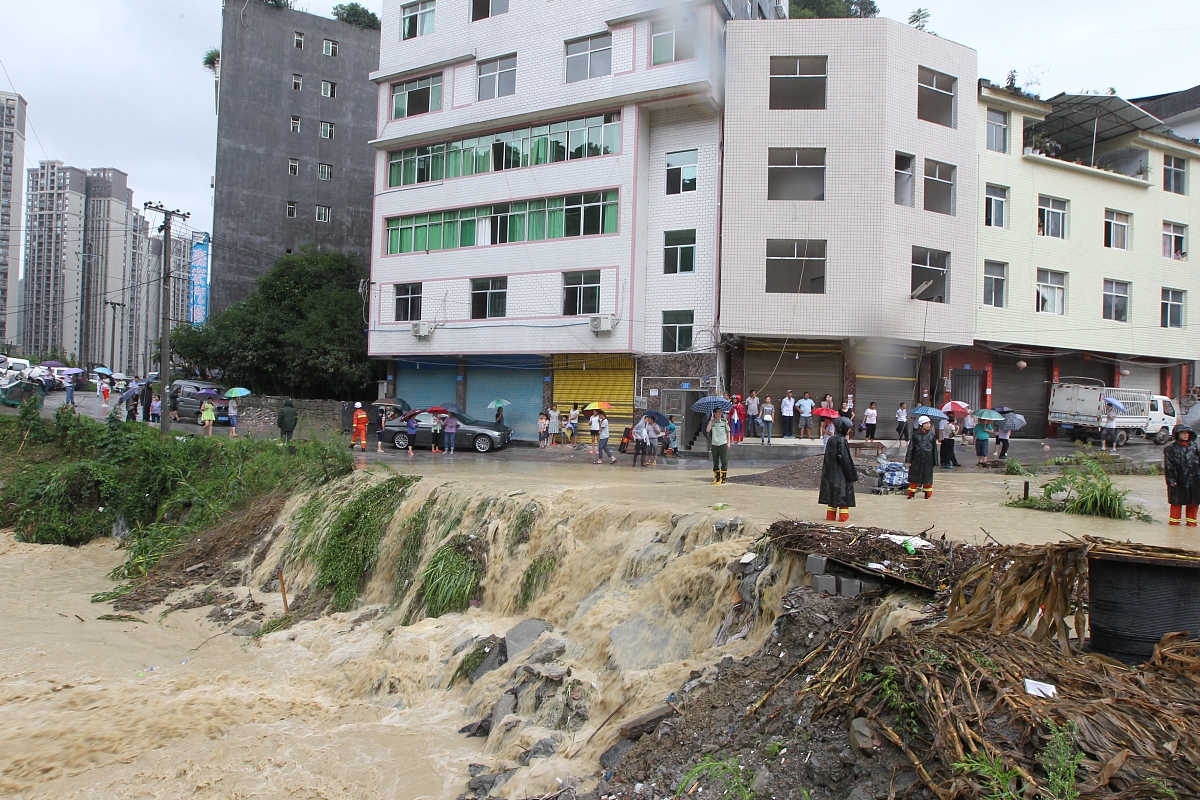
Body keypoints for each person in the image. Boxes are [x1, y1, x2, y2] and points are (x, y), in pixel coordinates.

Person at [819, 417, 858, 522]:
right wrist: (852, 475)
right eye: (849, 428)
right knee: (843, 499)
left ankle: (830, 519)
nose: (850, 430)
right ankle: (843, 522)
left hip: (831, 474)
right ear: (844, 428)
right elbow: (845, 459)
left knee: (832, 500)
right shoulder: (842, 440)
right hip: (841, 475)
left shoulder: (831, 439)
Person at [1163, 425, 1200, 526]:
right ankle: (1174, 525)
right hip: (1178, 480)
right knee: (1176, 502)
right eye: (1183, 433)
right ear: (1177, 434)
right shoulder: (1170, 449)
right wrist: (1170, 480)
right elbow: (1168, 466)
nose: (1185, 435)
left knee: (1194, 502)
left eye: (1187, 433)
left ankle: (1191, 524)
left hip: (1194, 479)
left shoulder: (1195, 447)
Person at [905, 415, 937, 499]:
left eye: (929, 423)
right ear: (921, 424)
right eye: (926, 423)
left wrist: (935, 461)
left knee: (927, 478)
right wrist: (909, 459)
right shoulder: (915, 435)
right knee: (914, 478)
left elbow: (934, 450)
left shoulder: (932, 435)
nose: (928, 425)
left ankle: (927, 494)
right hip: (916, 459)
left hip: (928, 459)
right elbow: (911, 447)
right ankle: (911, 494)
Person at [708, 409, 730, 484]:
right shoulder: (712, 423)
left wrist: (729, 442)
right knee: (715, 461)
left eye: (720, 412)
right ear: (714, 413)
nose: (719, 414)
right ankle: (716, 478)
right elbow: (707, 430)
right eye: (717, 412)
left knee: (724, 461)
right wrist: (710, 421)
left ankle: (723, 478)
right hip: (714, 444)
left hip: (723, 443)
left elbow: (728, 432)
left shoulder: (724, 422)